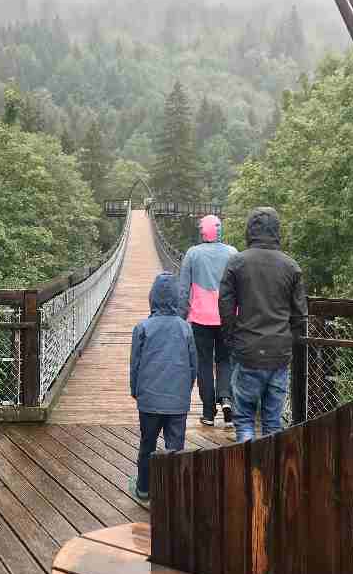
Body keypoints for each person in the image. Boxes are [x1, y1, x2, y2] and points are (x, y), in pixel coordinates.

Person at [219, 208, 308, 442]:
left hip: (247, 349)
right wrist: (289, 341)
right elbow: (300, 315)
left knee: (245, 418)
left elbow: (226, 307)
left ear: (250, 230)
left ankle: (248, 472)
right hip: (279, 353)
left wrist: (232, 339)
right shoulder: (291, 267)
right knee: (272, 421)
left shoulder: (237, 263)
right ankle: (271, 474)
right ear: (276, 231)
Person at [128, 272, 198, 502]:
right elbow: (193, 365)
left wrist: (136, 391)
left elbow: (135, 365)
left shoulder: (142, 328)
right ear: (177, 298)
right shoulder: (185, 328)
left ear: (152, 298)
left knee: (147, 443)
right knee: (175, 448)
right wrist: (185, 391)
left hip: (149, 399)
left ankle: (144, 488)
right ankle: (173, 493)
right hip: (177, 400)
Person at [177, 214, 238, 427]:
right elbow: (239, 287)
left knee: (203, 362)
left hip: (200, 319)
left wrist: (181, 317)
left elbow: (184, 289)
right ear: (220, 230)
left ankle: (208, 412)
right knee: (225, 360)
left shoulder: (193, 254)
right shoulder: (233, 253)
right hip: (227, 317)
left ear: (202, 231)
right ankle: (227, 399)